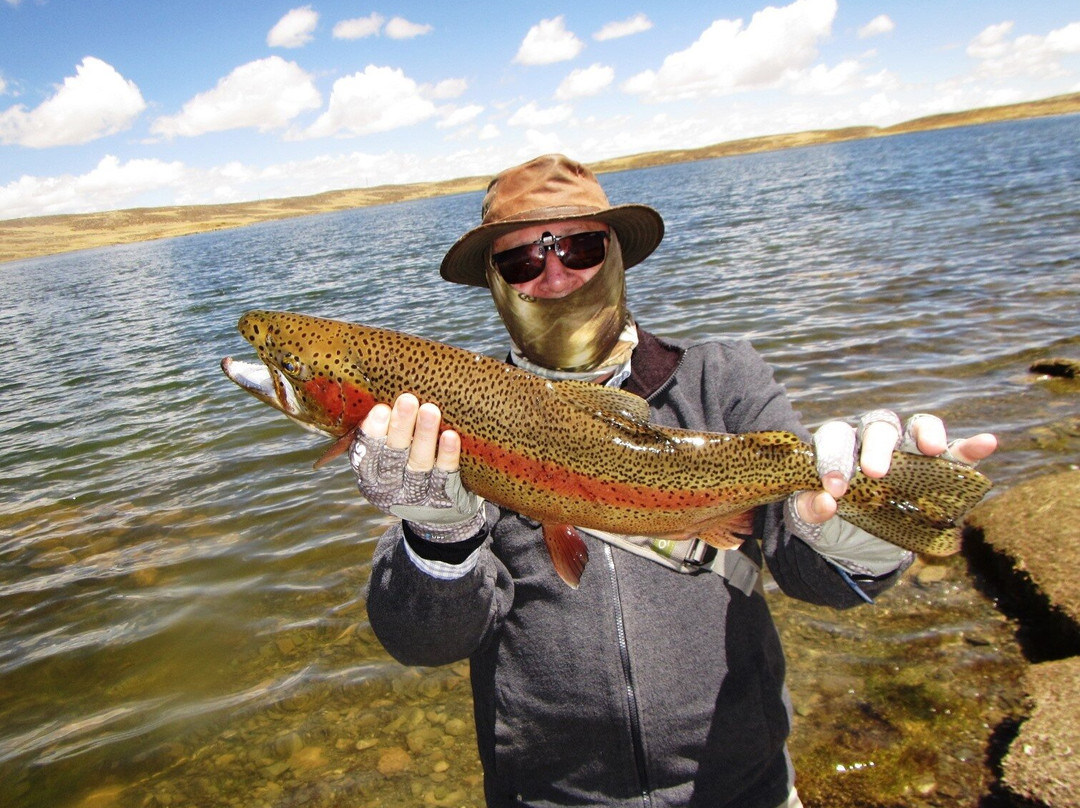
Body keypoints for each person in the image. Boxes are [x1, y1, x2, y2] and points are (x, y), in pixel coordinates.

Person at [357, 154, 997, 808]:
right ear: (496, 283)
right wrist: (437, 537)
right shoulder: (449, 425)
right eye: (521, 260)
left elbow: (805, 569)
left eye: (578, 247)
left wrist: (850, 526)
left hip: (743, 790)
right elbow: (422, 643)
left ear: (616, 257)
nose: (553, 275)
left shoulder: (722, 380)